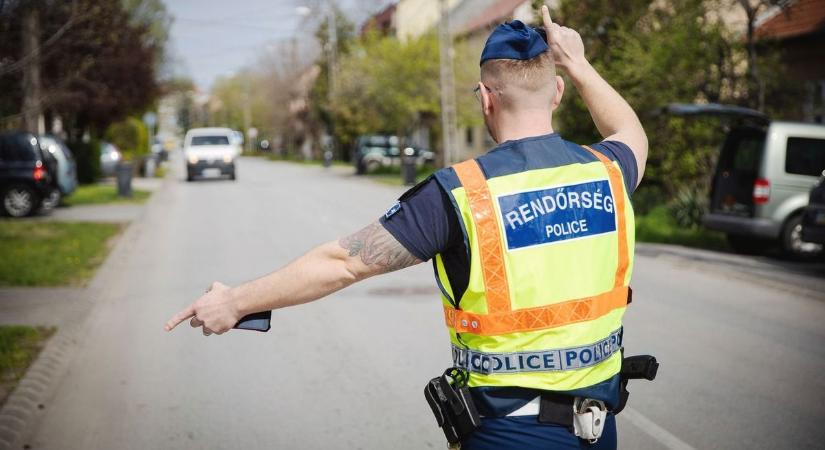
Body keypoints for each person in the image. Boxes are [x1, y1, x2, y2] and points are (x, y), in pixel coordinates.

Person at [165, 5, 647, 449]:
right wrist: (579, 64)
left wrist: (234, 301)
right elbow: (631, 131)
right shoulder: (608, 170)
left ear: (484, 98)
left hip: (509, 433)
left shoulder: (460, 194)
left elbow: (343, 263)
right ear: (558, 92)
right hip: (599, 428)